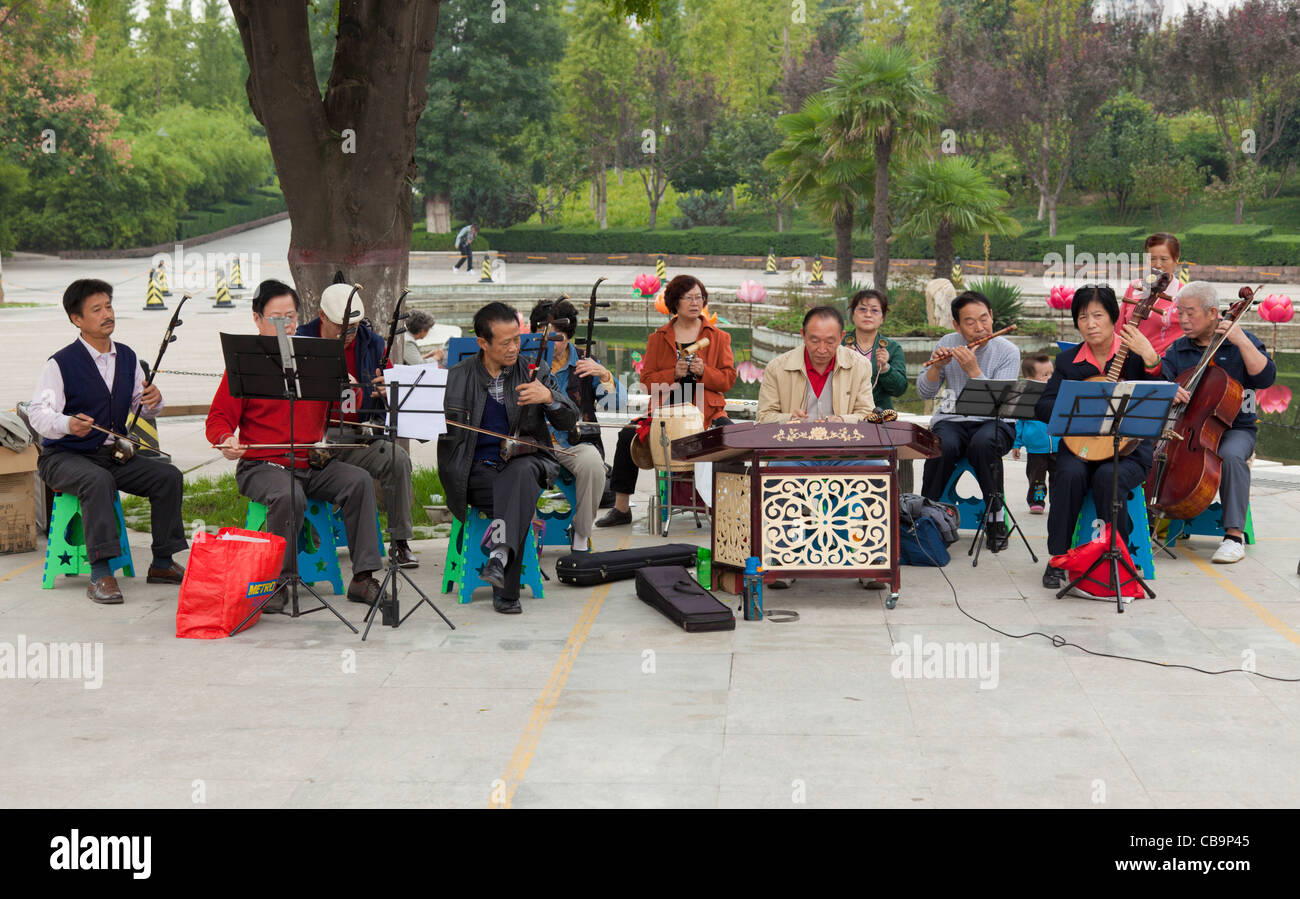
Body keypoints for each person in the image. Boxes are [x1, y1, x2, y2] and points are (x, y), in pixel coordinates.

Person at [206, 280, 384, 611]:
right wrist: (225, 439)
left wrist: (354, 389)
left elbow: (340, 412)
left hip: (311, 462)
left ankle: (362, 577)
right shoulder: (245, 360)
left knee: (358, 481)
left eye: (290, 316)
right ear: (257, 319)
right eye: (275, 317)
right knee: (289, 493)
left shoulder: (314, 354)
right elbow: (217, 418)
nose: (285, 324)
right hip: (262, 464)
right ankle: (279, 583)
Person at [28, 279, 188, 604]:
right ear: (77, 319)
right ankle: (101, 574)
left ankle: (161, 562)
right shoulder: (60, 363)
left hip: (110, 455)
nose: (106, 314)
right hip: (63, 457)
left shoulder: (127, 357)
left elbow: (138, 404)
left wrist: (154, 400)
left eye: (109, 306)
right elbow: (39, 414)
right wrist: (68, 424)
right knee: (97, 481)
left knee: (167, 476)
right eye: (96, 309)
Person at [438, 302, 579, 613]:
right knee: (515, 494)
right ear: (482, 343)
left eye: (517, 339)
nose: (515, 347)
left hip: (525, 463)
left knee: (519, 476)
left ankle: (500, 563)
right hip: (473, 473)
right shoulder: (457, 377)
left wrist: (549, 398)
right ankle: (503, 577)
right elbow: (429, 430)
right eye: (505, 342)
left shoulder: (535, 371)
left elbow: (570, 421)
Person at [1035, 285, 1162, 589]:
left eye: (1097, 316)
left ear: (1114, 318)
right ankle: (1058, 557)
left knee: (1109, 478)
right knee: (1066, 474)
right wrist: (1076, 401)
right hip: (1081, 448)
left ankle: (1120, 554)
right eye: (1082, 317)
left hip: (1127, 451)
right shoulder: (1068, 361)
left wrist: (1150, 356)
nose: (1090, 324)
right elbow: (1043, 406)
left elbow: (1159, 394)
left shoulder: (1133, 355)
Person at [598, 274, 736, 528]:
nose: (695, 303)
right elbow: (647, 381)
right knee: (627, 436)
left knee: (731, 439)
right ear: (675, 302)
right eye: (688, 298)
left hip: (706, 413)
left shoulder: (718, 337)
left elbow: (728, 380)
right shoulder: (658, 338)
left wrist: (704, 371)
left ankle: (726, 506)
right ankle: (621, 507)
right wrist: (673, 374)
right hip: (665, 414)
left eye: (699, 297)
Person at [297, 284, 418, 568]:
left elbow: (390, 386)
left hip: (359, 434)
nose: (347, 335)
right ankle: (310, 542)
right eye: (341, 328)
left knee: (396, 458)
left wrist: (386, 391)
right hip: (314, 437)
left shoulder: (372, 343)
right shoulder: (301, 341)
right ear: (322, 317)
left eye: (352, 328)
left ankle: (400, 541)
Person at [1156, 281, 1276, 564]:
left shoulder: (1239, 341)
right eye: (1180, 313)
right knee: (1152, 446)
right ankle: (1152, 516)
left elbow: (1266, 378)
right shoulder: (1178, 350)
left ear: (1213, 313)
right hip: (1189, 428)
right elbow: (1161, 383)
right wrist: (1170, 390)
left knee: (1231, 456)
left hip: (1236, 428)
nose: (1183, 320)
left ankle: (1233, 537)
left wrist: (1241, 341)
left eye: (1190, 313)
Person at [917, 290, 1021, 552]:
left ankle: (996, 518)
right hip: (952, 420)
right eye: (970, 322)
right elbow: (924, 393)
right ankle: (927, 516)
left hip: (995, 422)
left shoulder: (1008, 351)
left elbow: (1003, 404)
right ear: (957, 325)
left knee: (983, 444)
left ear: (992, 316)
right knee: (942, 444)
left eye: (984, 319)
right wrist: (936, 367)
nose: (980, 327)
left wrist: (973, 370)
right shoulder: (948, 341)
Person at [528, 298, 625, 552]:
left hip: (574, 442)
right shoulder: (526, 362)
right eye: (543, 336)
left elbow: (617, 404)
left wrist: (604, 375)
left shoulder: (585, 363)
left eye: (556, 337)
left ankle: (581, 533)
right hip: (534, 441)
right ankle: (523, 535)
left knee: (593, 465)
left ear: (569, 336)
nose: (550, 343)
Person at [759, 306, 875, 424]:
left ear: (841, 337)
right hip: (792, 441)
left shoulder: (860, 366)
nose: (822, 349)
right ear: (803, 335)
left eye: (830, 342)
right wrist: (789, 418)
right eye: (814, 341)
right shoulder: (777, 368)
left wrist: (842, 420)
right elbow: (763, 417)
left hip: (842, 441)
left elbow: (868, 414)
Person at [844, 287, 911, 491]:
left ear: (882, 317)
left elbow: (900, 389)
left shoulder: (891, 348)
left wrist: (886, 368)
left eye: (875, 310)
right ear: (853, 313)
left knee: (889, 460)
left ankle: (891, 502)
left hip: (878, 418)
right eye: (862, 309)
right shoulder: (838, 344)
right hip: (842, 417)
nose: (868, 314)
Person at [1118, 232, 1183, 356]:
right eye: (1152, 259)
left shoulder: (1184, 294)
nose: (1157, 265)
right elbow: (1119, 328)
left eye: (1164, 259)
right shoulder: (1135, 287)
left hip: (1163, 365)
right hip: (1127, 359)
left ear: (1176, 259)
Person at [1013, 353, 1057, 514]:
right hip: (1036, 448)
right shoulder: (1027, 399)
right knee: (1037, 478)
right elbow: (1020, 423)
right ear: (1030, 378)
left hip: (1058, 446)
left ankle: (1057, 501)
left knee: (1058, 477)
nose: (1051, 378)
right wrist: (1016, 444)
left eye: (1052, 373)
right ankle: (1037, 501)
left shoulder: (1057, 394)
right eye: (1045, 375)